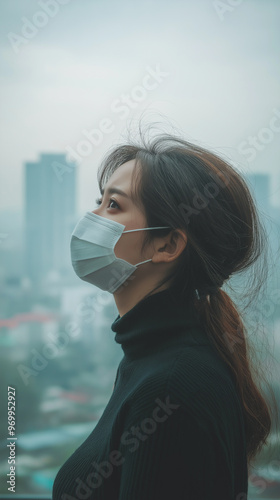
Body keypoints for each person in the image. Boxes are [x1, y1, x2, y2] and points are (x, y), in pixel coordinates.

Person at [52, 127, 277, 500]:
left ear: (168, 245)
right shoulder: (148, 360)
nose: (91, 219)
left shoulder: (171, 387)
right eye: (100, 201)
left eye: (114, 205)